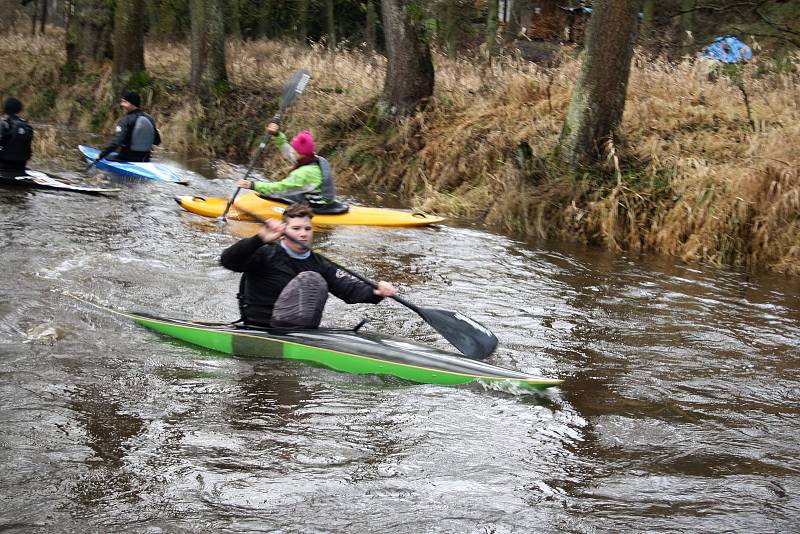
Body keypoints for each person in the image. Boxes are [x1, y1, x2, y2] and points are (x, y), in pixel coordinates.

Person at [220, 203, 396, 329]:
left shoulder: (320, 263)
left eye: (307, 229)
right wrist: (259, 239)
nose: (303, 234)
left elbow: (349, 290)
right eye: (296, 229)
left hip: (301, 332)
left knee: (313, 278)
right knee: (309, 279)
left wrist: (376, 291)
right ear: (282, 232)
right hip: (260, 328)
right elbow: (228, 260)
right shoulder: (264, 254)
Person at [236, 122, 338, 210]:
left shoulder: (304, 173)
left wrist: (253, 185)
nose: (292, 151)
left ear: (300, 153)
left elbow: (280, 189)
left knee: (271, 194)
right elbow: (288, 151)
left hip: (317, 208)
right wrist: (276, 134)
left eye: (294, 149)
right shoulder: (313, 159)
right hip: (316, 200)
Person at [96, 91, 161, 163]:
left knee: (107, 157)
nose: (121, 104)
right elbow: (157, 141)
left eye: (124, 102)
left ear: (132, 103)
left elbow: (116, 142)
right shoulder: (149, 118)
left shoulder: (126, 120)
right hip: (145, 159)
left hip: (127, 159)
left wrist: (101, 155)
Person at [0, 97, 34, 172]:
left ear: (6, 110)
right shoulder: (27, 126)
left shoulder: (4, 124)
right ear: (19, 110)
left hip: (4, 165)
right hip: (22, 164)